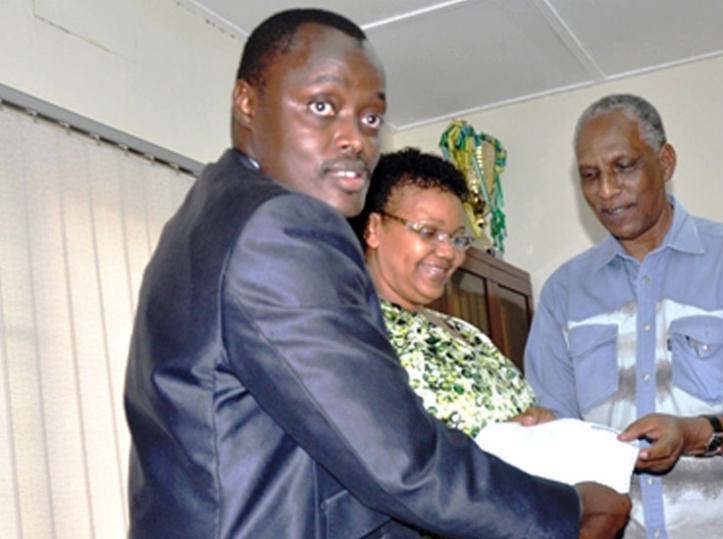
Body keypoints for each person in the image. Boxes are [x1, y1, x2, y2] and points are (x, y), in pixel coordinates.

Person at [124, 9, 631, 539]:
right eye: (322, 106)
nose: (356, 140)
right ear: (247, 102)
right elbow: (399, 461)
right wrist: (570, 510)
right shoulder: (281, 226)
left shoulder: (205, 215)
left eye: (370, 119)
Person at [525, 93, 723, 538]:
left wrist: (696, 433)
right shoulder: (563, 294)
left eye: (623, 167)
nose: (606, 191)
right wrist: (532, 433)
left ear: (665, 162)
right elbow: (558, 437)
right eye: (590, 176)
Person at [352, 147, 553, 438]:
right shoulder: (355, 332)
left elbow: (520, 412)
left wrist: (537, 421)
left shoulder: (466, 333)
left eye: (458, 238)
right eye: (428, 232)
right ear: (373, 228)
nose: (448, 253)